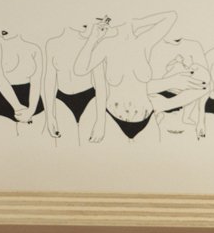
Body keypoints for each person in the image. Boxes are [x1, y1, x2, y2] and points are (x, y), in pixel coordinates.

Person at [73, 11, 177, 141]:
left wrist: (136, 23)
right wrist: (93, 38)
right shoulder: (105, 46)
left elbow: (171, 16)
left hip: (147, 118)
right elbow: (80, 70)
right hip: (113, 118)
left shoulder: (144, 42)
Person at [42, 20, 101, 141]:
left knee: (91, 147)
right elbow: (49, 82)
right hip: (61, 99)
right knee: (64, 145)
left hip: (90, 97)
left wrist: (101, 122)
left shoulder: (93, 43)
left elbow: (101, 83)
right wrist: (49, 116)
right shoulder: (52, 44)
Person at [145, 33, 211, 138]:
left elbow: (206, 87)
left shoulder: (194, 46)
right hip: (156, 101)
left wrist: (201, 120)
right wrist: (171, 80)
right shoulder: (152, 46)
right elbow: (141, 87)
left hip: (184, 101)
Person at [0, 28, 44, 132]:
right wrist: (17, 107)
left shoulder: (34, 48)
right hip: (3, 100)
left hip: (33, 103)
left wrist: (31, 110)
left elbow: (36, 82)